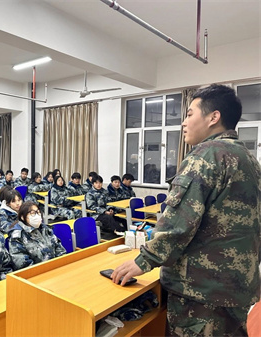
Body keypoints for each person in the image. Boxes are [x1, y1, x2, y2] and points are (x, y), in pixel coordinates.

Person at [111, 84, 261, 336]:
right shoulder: (249, 160)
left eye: (190, 114)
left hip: (202, 293)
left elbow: (178, 224)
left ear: (214, 117)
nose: (183, 122)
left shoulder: (205, 156)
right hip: (238, 286)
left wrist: (143, 260)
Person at [8, 201, 66, 270]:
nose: (37, 216)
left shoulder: (45, 229)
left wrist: (60, 265)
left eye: (38, 212)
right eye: (33, 213)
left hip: (55, 269)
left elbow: (59, 248)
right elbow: (22, 264)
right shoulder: (17, 237)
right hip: (37, 274)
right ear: (23, 217)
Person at [85, 175, 125, 240]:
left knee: (120, 217)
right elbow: (92, 206)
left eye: (100, 183)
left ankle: (126, 231)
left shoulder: (104, 191)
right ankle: (119, 232)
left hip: (107, 212)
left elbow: (108, 202)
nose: (99, 185)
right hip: (96, 214)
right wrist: (104, 211)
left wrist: (110, 209)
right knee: (108, 218)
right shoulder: (90, 194)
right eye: (96, 183)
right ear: (93, 184)